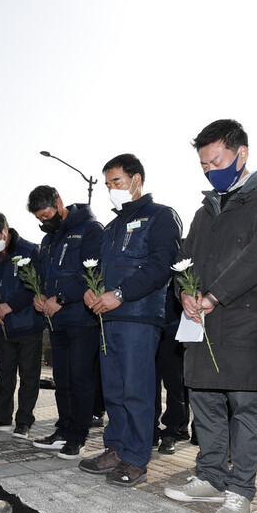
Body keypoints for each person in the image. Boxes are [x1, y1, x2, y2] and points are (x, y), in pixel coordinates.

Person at [162, 119, 257, 513]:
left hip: (248, 318)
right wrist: (183, 290)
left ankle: (240, 490)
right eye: (203, 164)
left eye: (216, 160)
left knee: (247, 405)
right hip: (204, 320)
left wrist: (216, 294)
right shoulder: (206, 208)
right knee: (205, 402)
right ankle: (211, 476)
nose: (210, 170)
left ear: (242, 153)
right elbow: (185, 258)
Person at [79, 153, 181, 486]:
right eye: (108, 184)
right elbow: (97, 269)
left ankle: (136, 457)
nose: (111, 189)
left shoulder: (160, 216)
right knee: (113, 389)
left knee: (137, 389)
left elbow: (160, 265)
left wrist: (120, 294)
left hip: (138, 316)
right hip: (107, 318)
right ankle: (116, 448)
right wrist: (90, 292)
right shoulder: (111, 227)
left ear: (136, 180)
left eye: (117, 182)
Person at [26, 185, 102, 459]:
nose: (44, 221)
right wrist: (41, 296)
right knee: (62, 379)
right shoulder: (48, 240)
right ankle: (63, 429)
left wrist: (60, 297)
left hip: (81, 318)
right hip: (56, 321)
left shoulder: (90, 229)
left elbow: (91, 271)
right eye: (40, 218)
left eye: (47, 214)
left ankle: (78, 436)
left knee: (80, 377)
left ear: (59, 203)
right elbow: (43, 275)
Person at [0, 212, 44, 438]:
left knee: (29, 376)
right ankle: (1, 416)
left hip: (27, 324)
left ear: (5, 229)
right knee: (5, 374)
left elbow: (35, 285)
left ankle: (24, 421)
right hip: (3, 326)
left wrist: (10, 305)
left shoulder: (29, 250)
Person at [153, 283, 189, 454]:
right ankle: (150, 429)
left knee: (174, 383)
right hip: (150, 326)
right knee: (149, 383)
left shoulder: (178, 258)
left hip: (173, 328)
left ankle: (171, 431)